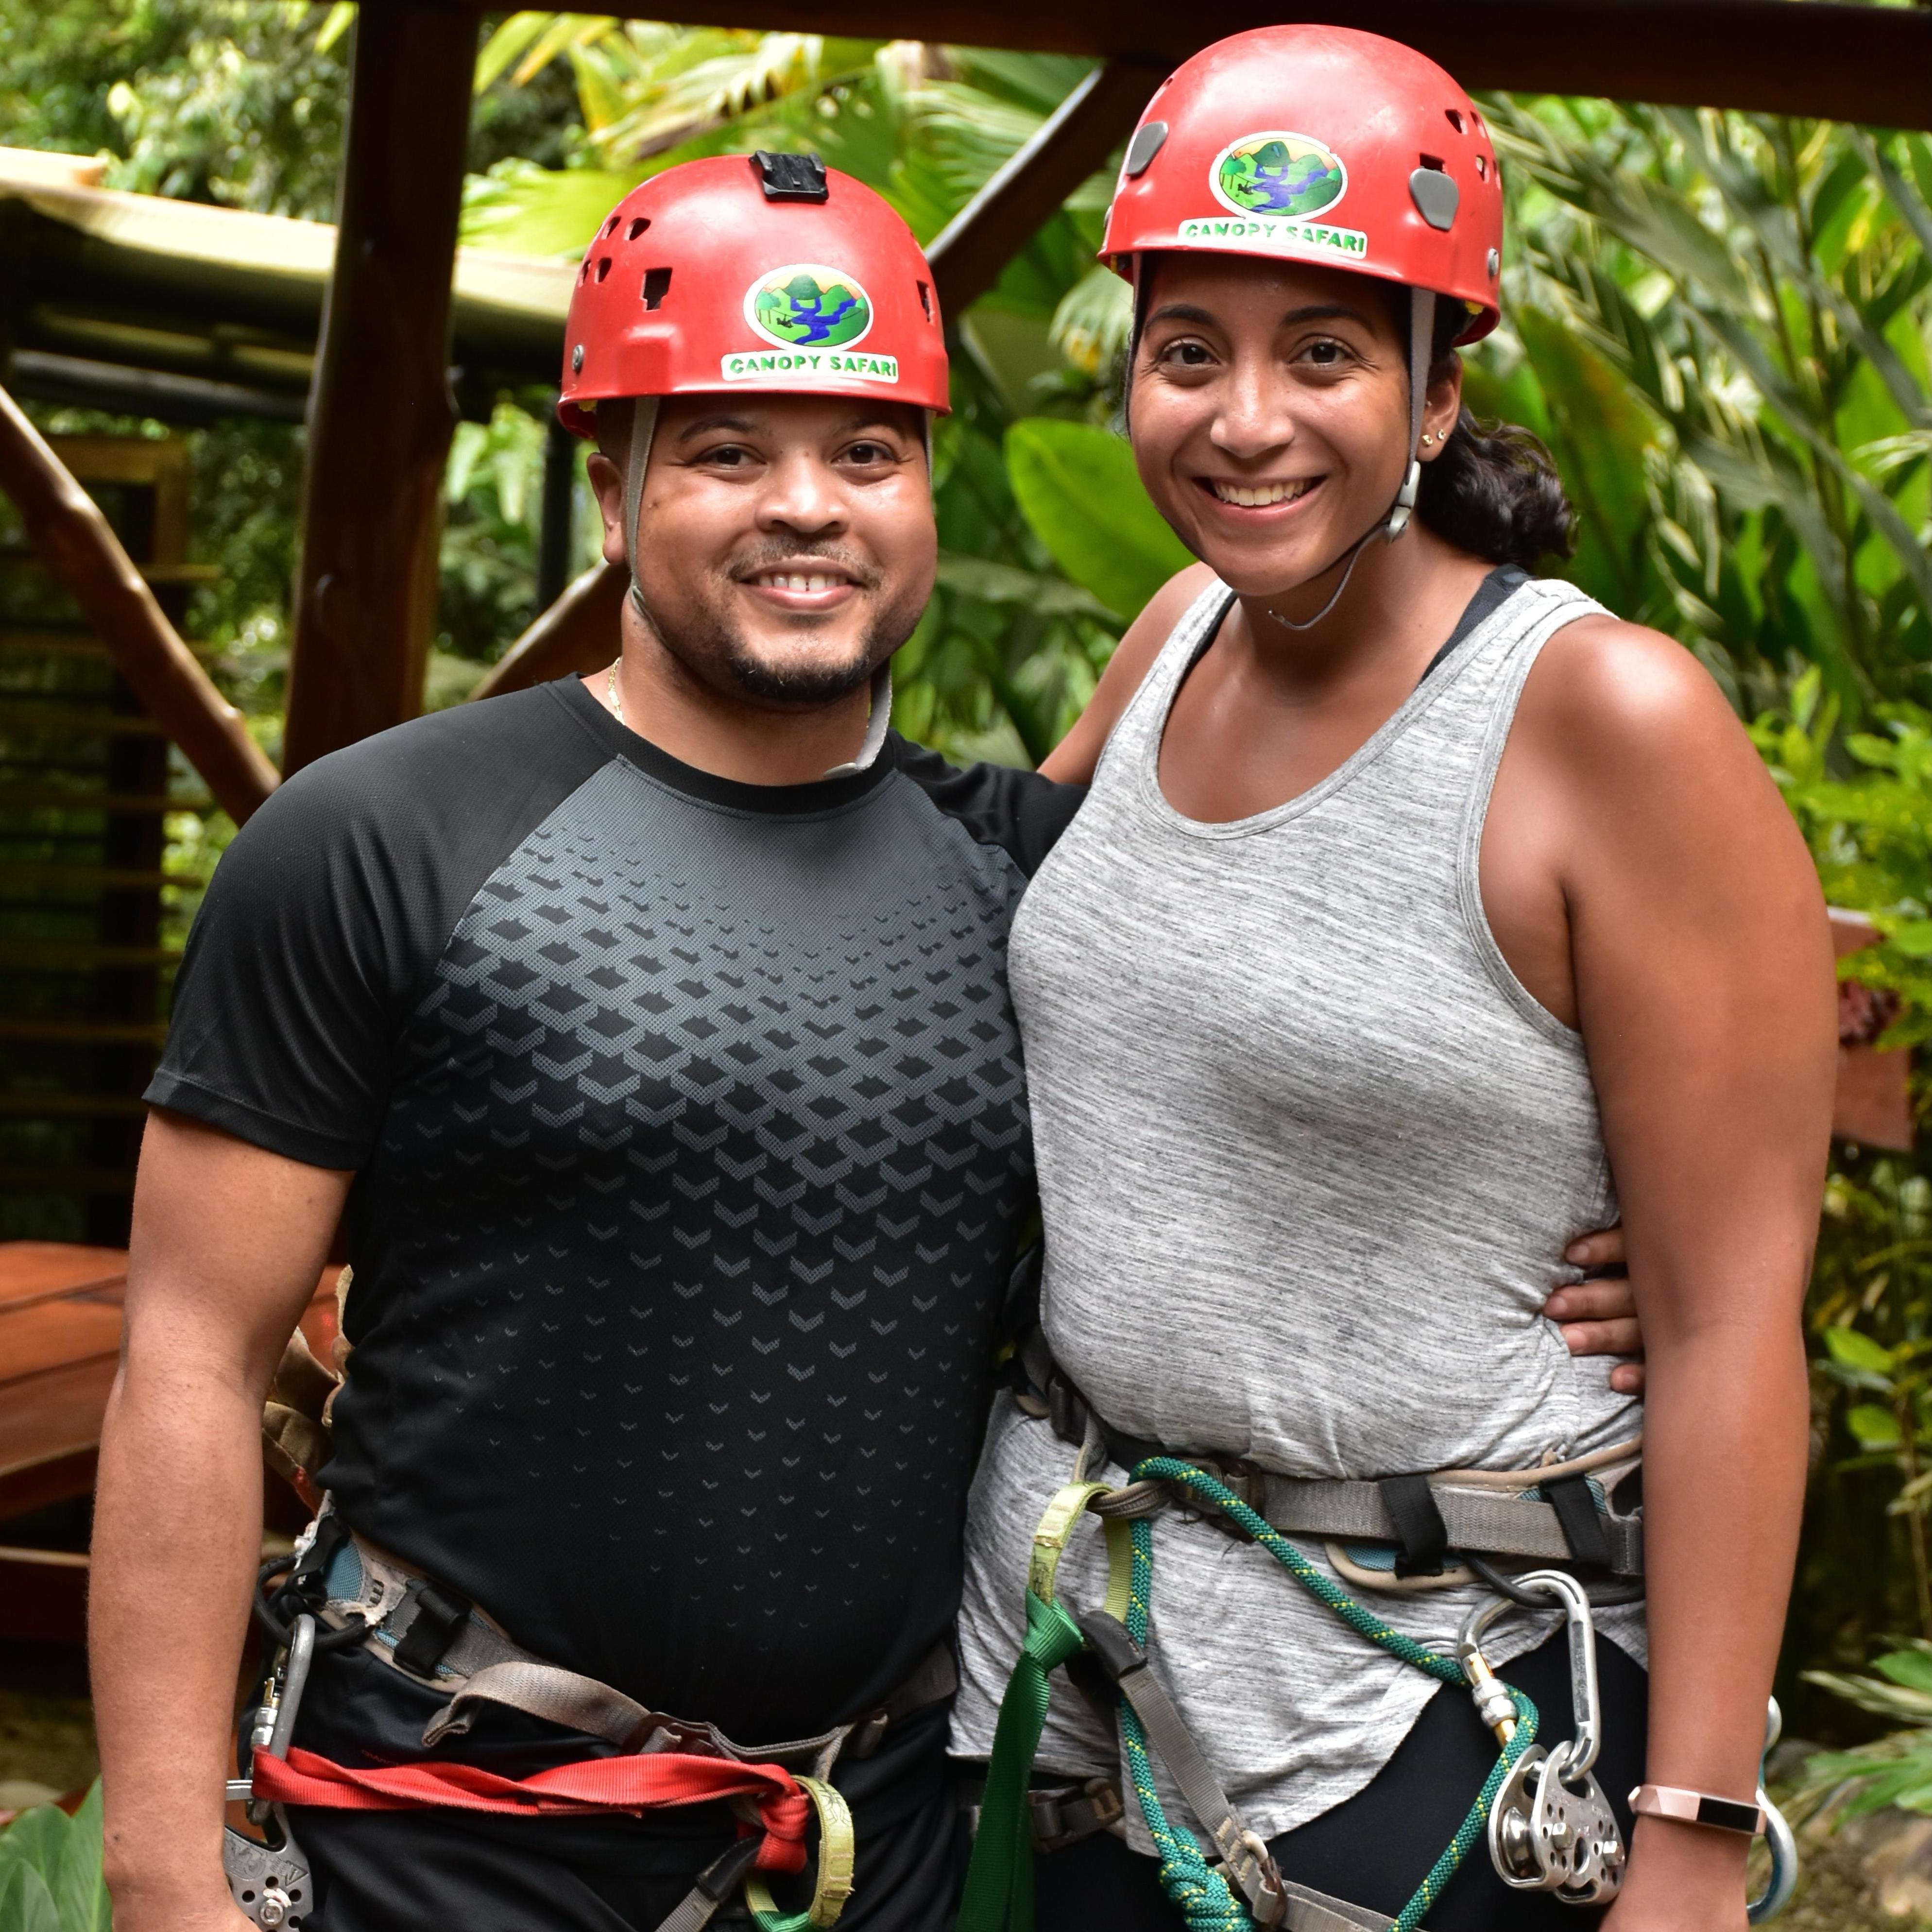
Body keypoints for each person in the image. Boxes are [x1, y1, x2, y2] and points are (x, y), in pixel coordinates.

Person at [88, 147, 1640, 1932]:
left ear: (924, 497)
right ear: (613, 493)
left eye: (865, 454)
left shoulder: (1034, 888)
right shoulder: (382, 842)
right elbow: (191, 1359)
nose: (804, 507)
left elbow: (1366, 1058)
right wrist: (156, 1868)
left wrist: (1621, 1257)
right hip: (447, 1822)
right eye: (730, 453)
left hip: (876, 1842)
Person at [948, 26, 1834, 1932]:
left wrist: (1685, 1833)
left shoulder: (1598, 717)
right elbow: (961, 999)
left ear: (1435, 393)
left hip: (1416, 1712)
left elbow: (1726, 1316)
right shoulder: (1174, 630)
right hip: (1069, 1665)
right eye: (1189, 351)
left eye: (1322, 353)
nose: (1240, 417)